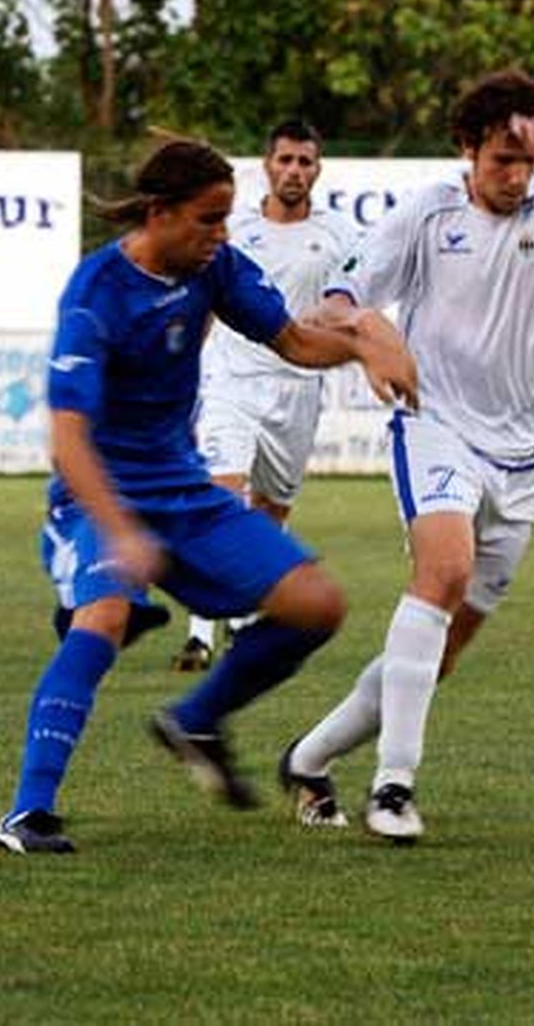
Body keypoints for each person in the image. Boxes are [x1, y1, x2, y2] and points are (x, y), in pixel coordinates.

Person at [279, 69, 534, 841]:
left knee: (448, 644)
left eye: (528, 160)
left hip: (527, 457)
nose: (516, 175)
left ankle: (309, 755)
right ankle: (393, 788)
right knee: (444, 571)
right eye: (503, 158)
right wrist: (369, 334)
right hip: (438, 424)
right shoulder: (427, 215)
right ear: (467, 148)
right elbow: (335, 302)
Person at [0, 138, 417, 855]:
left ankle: (198, 719)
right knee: (102, 616)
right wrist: (119, 532)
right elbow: (68, 439)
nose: (221, 235)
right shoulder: (96, 294)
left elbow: (290, 338)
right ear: (159, 213)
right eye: (208, 219)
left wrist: (363, 342)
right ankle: (29, 812)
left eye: (225, 219)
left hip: (182, 488)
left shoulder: (213, 266)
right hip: (97, 490)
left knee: (317, 604)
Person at [172, 119, 357, 673]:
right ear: (267, 165)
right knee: (223, 497)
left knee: (270, 512)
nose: (294, 171)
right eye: (285, 160)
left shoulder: (340, 235)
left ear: (317, 168)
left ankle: (245, 615)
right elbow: (204, 300)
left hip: (298, 388)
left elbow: (351, 304)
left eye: (305, 161)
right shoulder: (234, 230)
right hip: (233, 379)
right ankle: (202, 631)